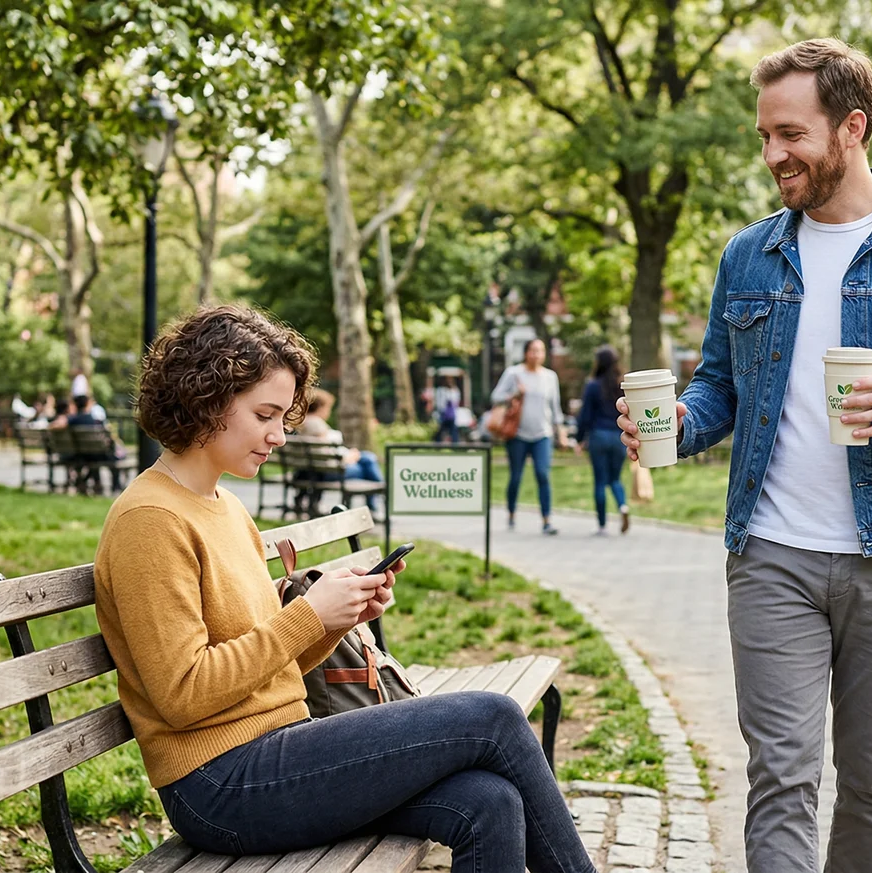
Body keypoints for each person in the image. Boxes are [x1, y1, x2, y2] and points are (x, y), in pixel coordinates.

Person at [615, 40, 872, 873]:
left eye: (789, 134)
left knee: (871, 780)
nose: (772, 155)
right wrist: (672, 425)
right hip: (772, 555)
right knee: (782, 776)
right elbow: (720, 390)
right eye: (764, 136)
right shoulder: (748, 255)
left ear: (851, 128)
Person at [93, 304, 596, 872]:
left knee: (489, 801)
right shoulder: (150, 520)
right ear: (207, 399)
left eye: (284, 417)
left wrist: (338, 619)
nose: (279, 436)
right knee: (495, 717)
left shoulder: (225, 507)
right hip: (219, 783)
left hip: (279, 748)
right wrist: (308, 614)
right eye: (265, 415)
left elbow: (270, 665)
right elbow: (183, 695)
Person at [491, 338, 575, 534]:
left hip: (542, 435)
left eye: (541, 351)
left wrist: (560, 432)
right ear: (526, 353)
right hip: (518, 434)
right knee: (516, 476)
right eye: (533, 350)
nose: (537, 354)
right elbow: (495, 397)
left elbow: (555, 408)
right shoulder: (514, 373)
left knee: (543, 475)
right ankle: (511, 513)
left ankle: (547, 520)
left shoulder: (550, 377)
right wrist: (514, 394)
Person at [298, 389, 384, 514]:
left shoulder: (302, 422)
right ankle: (379, 495)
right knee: (367, 466)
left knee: (367, 458)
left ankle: (376, 499)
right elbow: (327, 456)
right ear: (320, 407)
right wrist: (348, 458)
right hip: (327, 472)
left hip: (313, 470)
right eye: (328, 408)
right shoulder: (317, 425)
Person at [575, 346, 630, 535]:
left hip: (598, 436)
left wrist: (579, 439)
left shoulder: (593, 386)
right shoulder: (622, 385)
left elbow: (585, 416)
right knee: (615, 479)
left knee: (600, 481)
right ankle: (623, 506)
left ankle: (602, 525)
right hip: (619, 437)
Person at [433, 376, 462, 444]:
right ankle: (437, 443)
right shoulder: (440, 390)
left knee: (453, 430)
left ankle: (455, 444)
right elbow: (439, 403)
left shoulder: (455, 390)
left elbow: (456, 401)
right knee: (440, 430)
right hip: (443, 414)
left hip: (451, 414)